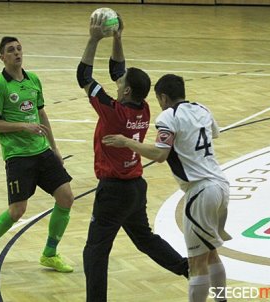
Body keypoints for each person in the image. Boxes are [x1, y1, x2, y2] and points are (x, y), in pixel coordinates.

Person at [77, 14, 188, 302]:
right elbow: (118, 71)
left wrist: (93, 39)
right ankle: (187, 269)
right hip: (136, 187)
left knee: (95, 251)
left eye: (121, 82)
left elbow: (84, 77)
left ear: (125, 90)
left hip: (113, 191)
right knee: (144, 239)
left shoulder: (113, 110)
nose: (118, 80)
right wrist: (117, 38)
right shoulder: (144, 108)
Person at [103, 74, 231, 302]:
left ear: (163, 97)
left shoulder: (168, 117)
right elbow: (213, 134)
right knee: (211, 254)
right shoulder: (202, 108)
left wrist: (127, 142)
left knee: (196, 262)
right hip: (221, 186)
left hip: (200, 190)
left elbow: (160, 155)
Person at [0, 36, 74, 274]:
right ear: (2, 57)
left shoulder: (34, 80)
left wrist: (54, 146)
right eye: (11, 50)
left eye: (19, 49)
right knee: (17, 211)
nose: (17, 53)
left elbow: (41, 114)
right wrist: (23, 126)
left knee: (66, 197)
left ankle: (49, 253)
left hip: (42, 151)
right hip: (18, 156)